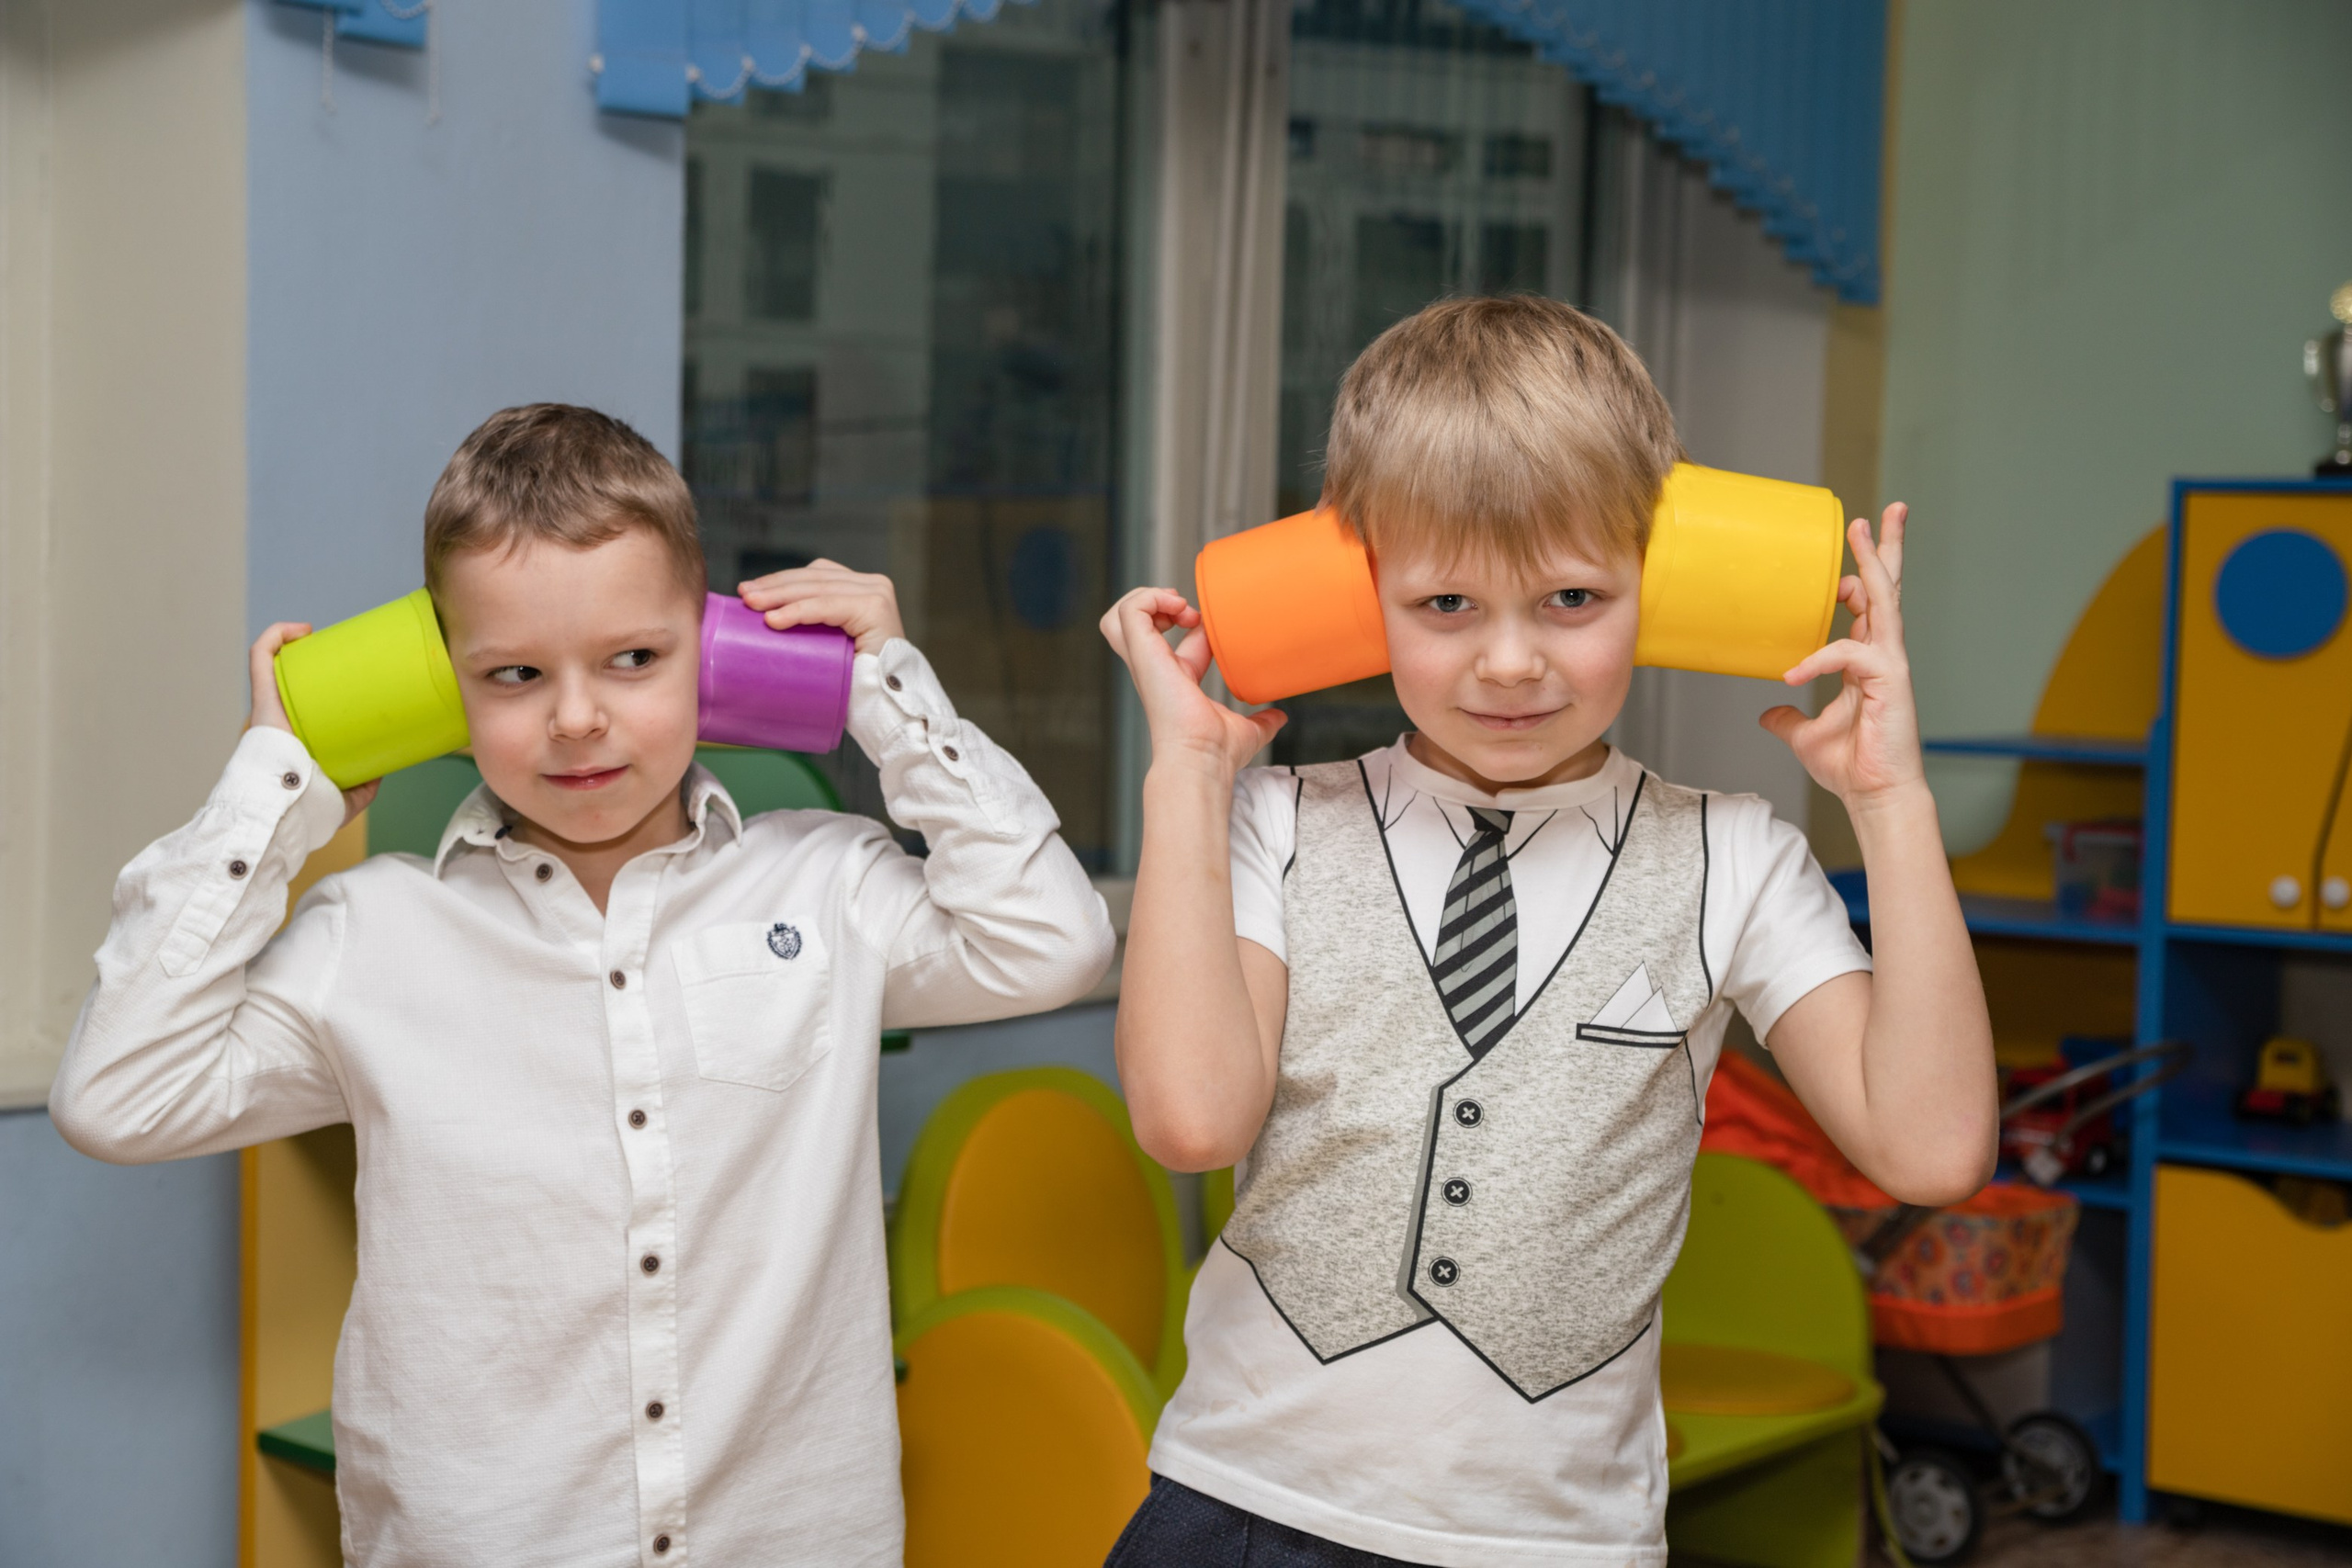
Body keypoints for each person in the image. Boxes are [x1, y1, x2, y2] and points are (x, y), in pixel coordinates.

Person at [51, 404, 1114, 1567]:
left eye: (635, 659)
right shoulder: (374, 933)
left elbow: (1053, 942)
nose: (575, 717)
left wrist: (887, 696)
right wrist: (272, 788)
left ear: (714, 656)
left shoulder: (825, 885)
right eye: (512, 674)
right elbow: (118, 1098)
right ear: (435, 685)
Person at [1099, 297, 1994, 1567]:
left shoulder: (1732, 853)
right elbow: (1192, 1119)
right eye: (1446, 602)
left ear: (1662, 581)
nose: (1511, 660)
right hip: (1245, 1506)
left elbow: (1935, 1143)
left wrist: (1892, 801)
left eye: (1573, 595)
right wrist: (1186, 778)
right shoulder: (1274, 820)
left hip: (1557, 1540)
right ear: (1361, 600)